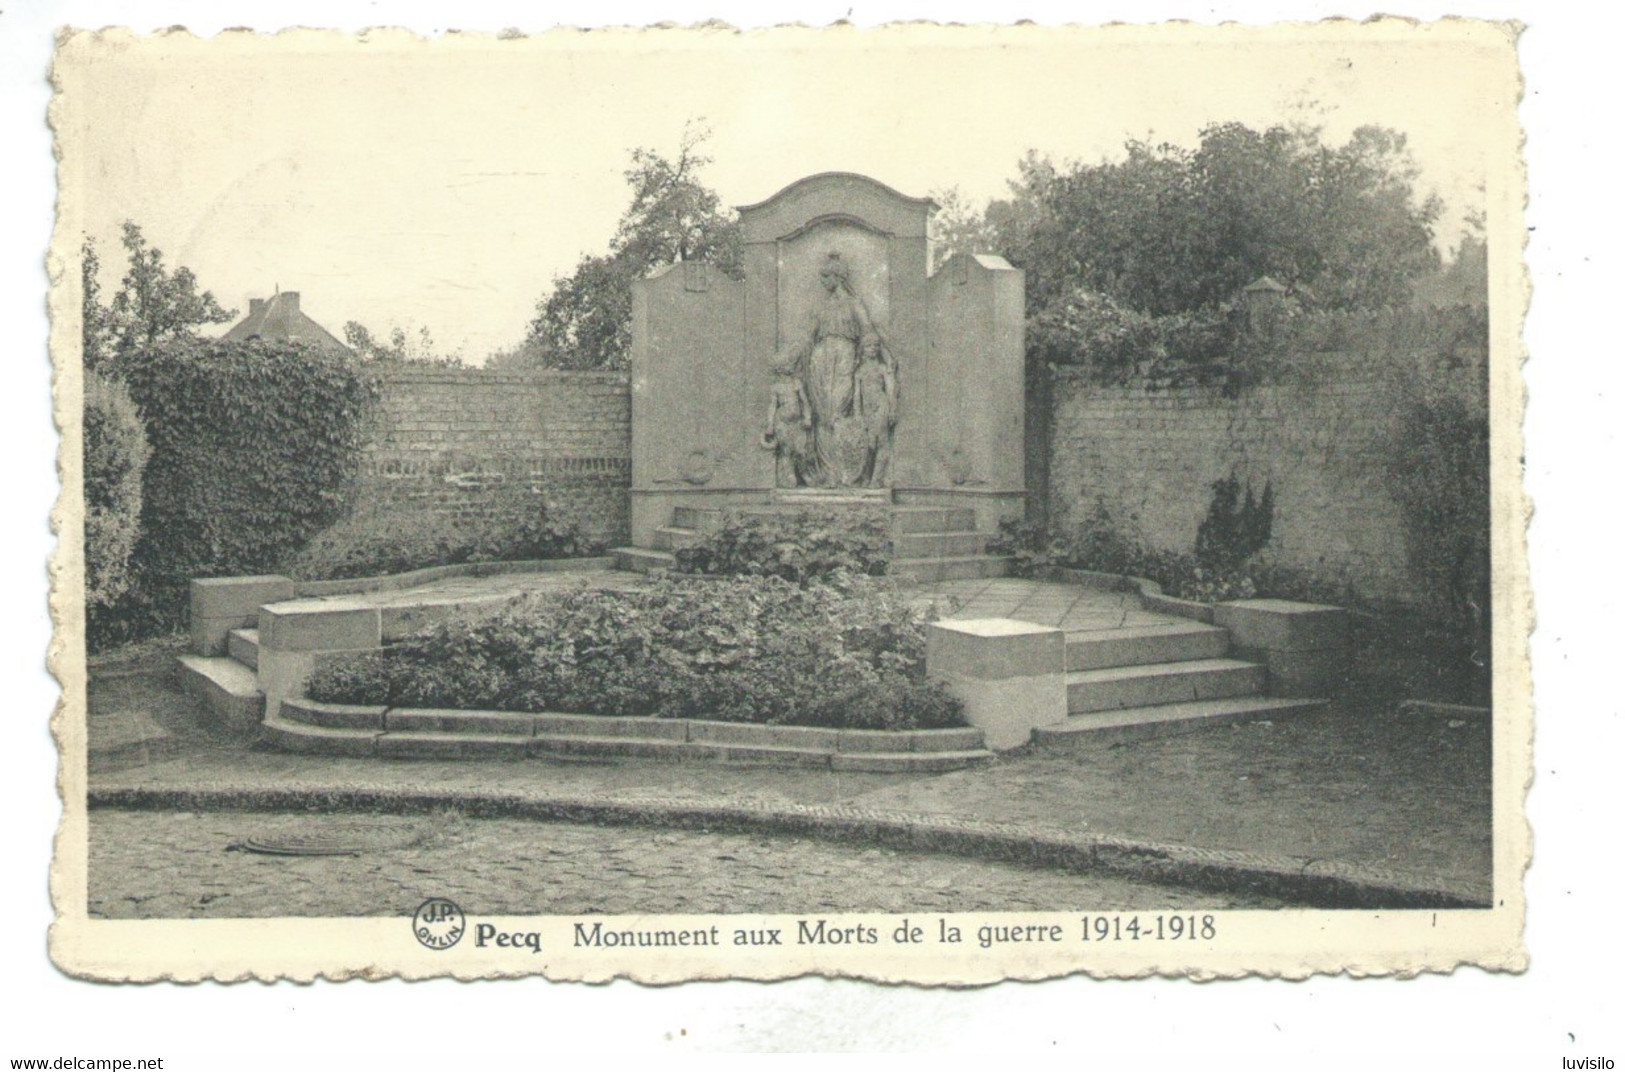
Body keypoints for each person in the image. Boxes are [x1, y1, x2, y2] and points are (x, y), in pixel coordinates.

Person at [792, 251, 884, 486]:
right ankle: (828, 473)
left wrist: (868, 360)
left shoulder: (854, 304)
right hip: (819, 360)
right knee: (822, 414)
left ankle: (847, 471)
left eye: (825, 276)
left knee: (838, 411)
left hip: (845, 357)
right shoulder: (822, 306)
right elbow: (809, 338)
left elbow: (868, 331)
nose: (822, 281)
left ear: (838, 276)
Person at [761, 353, 813, 487]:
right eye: (787, 365)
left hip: (797, 422)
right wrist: (770, 425)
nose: (790, 368)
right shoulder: (776, 387)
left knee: (801, 450)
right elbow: (773, 406)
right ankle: (789, 475)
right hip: (782, 423)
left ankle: (804, 473)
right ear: (780, 369)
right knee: (786, 450)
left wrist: (807, 417)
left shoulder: (796, 383)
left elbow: (805, 402)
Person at [852, 345, 896, 487]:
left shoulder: (883, 368)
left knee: (881, 442)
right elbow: (857, 394)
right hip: (867, 409)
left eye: (876, 346)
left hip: (881, 406)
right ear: (863, 349)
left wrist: (892, 409)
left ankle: (876, 479)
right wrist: (858, 413)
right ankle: (866, 476)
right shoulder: (859, 371)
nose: (872, 348)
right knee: (868, 444)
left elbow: (890, 390)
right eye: (869, 346)